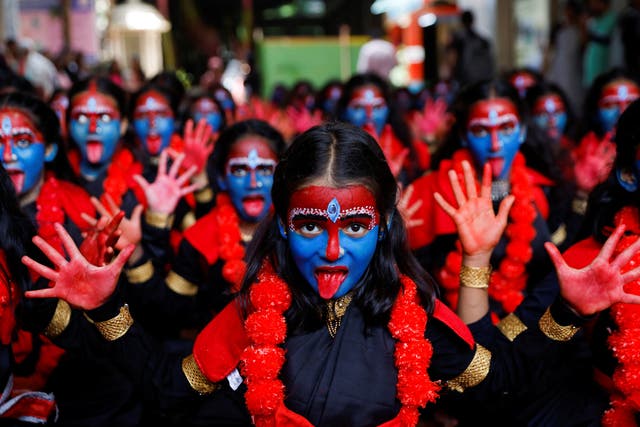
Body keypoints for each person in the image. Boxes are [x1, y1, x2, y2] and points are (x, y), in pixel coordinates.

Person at [21, 122, 640, 427]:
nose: (335, 250)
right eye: (314, 225)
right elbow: (168, 388)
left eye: (359, 226)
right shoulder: (254, 312)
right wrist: (102, 308)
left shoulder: (413, 315)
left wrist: (568, 311)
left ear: (386, 225)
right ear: (286, 225)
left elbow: (494, 383)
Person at [402, 79, 553, 313]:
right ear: (463, 135)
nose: (495, 144)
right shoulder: (427, 192)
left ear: (522, 132)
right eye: (481, 130)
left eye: (506, 128)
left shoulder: (537, 190)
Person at [446, 10, 495, 88]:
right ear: (473, 21)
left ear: (461, 21)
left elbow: (452, 58)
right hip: (482, 79)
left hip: (464, 79)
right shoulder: (482, 40)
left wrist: (450, 73)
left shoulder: (458, 38)